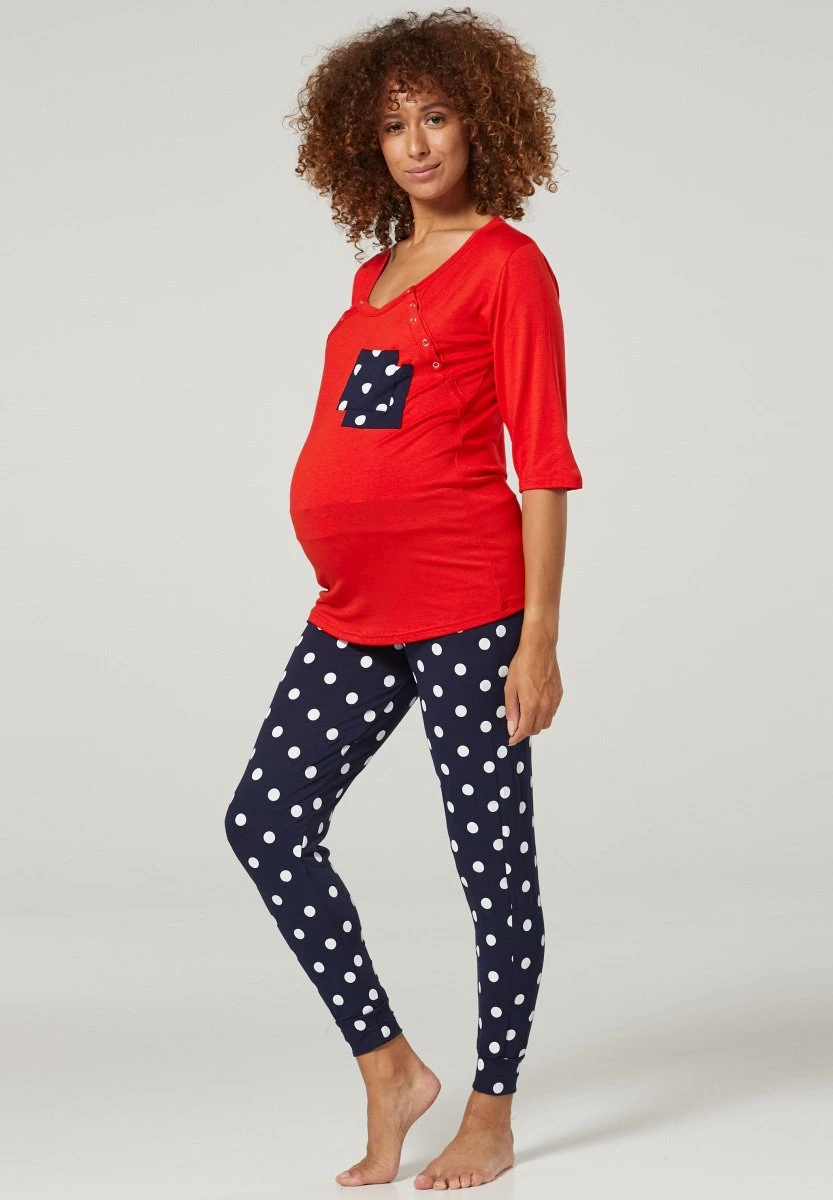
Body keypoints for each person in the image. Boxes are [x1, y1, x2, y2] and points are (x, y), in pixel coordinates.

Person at [225, 7, 583, 1190]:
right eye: (393, 126)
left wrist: (538, 639)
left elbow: (543, 463)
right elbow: (368, 433)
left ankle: (491, 1107)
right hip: (356, 609)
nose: (417, 144)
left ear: (482, 125)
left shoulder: (508, 267)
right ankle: (389, 1068)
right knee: (265, 824)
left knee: (490, 861)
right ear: (361, 143)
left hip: (471, 606)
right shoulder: (372, 274)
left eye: (436, 117)